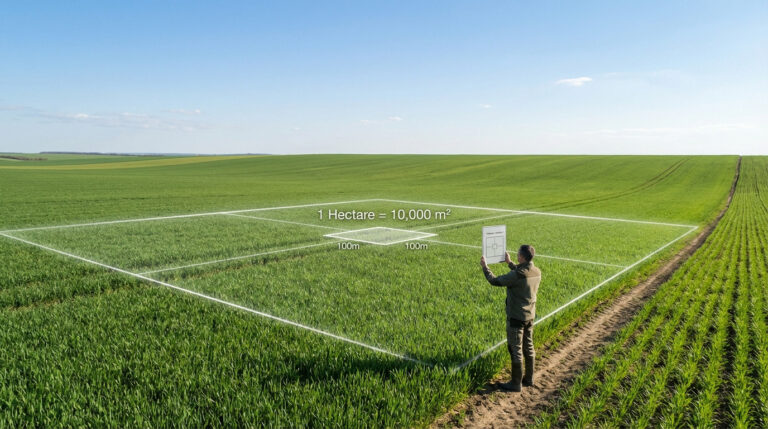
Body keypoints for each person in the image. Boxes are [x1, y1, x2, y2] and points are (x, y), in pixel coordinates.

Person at [480, 244, 541, 392]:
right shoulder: (536, 271)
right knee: (529, 346)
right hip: (530, 316)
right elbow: (521, 274)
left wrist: (485, 267)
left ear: (522, 257)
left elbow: (495, 281)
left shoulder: (519, 275)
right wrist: (510, 263)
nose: (517, 255)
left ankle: (515, 383)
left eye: (518, 254)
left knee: (516, 349)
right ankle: (529, 378)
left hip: (516, 317)